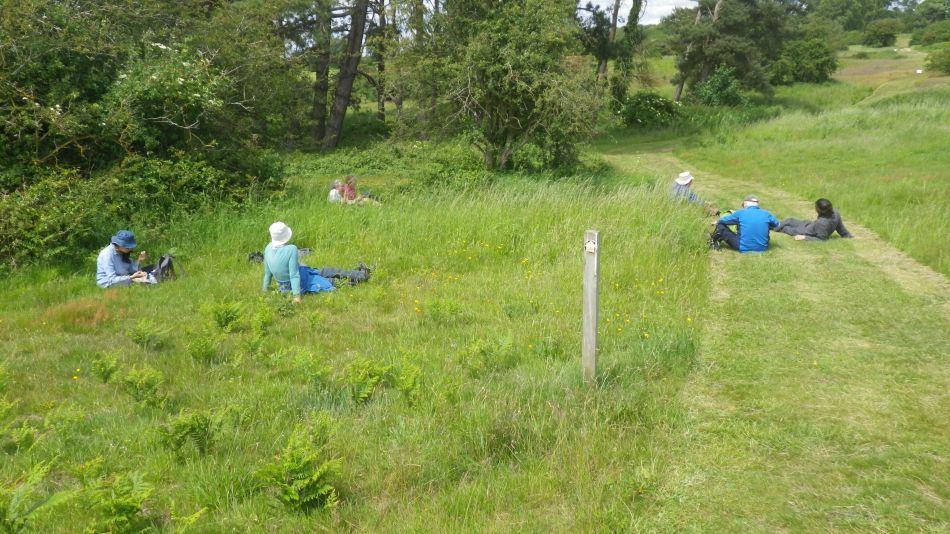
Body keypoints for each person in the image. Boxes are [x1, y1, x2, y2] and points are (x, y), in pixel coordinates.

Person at [261, 222, 371, 303]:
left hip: (286, 284)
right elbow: (294, 275)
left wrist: (264, 291)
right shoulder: (291, 249)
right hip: (297, 282)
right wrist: (296, 296)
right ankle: (361, 277)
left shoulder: (268, 248)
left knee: (325, 271)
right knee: (328, 282)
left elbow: (267, 274)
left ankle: (360, 274)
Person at [709, 195, 780, 252]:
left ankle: (713, 242)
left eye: (743, 205)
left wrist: (717, 221)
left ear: (745, 204)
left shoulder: (740, 213)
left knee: (720, 225)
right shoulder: (766, 213)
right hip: (763, 248)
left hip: (742, 247)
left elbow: (724, 220)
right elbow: (776, 224)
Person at [775, 198, 854, 241]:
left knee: (786, 228)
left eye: (816, 207)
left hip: (804, 232)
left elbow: (821, 239)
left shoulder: (822, 223)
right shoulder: (835, 212)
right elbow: (840, 227)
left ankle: (772, 227)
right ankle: (774, 224)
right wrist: (846, 235)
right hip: (809, 225)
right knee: (790, 220)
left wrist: (804, 237)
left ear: (819, 210)